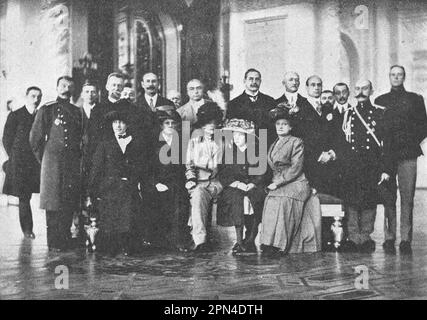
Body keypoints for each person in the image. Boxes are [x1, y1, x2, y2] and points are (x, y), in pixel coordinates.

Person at [375, 65, 427, 254]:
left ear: (404, 77)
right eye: (393, 75)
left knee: (407, 198)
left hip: (408, 154)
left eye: (399, 75)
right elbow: (377, 129)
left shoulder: (415, 99)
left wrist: (409, 141)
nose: (396, 78)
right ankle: (390, 237)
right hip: (387, 156)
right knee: (389, 197)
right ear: (389, 77)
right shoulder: (380, 100)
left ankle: (405, 238)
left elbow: (423, 126)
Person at [30, 76, 83, 251]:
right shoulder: (47, 109)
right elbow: (35, 139)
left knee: (68, 200)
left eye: (69, 86)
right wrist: (45, 159)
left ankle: (65, 239)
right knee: (53, 202)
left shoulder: (77, 112)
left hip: (72, 163)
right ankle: (54, 242)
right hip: (52, 164)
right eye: (63, 85)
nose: (66, 88)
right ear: (57, 87)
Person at [86, 111, 145, 256]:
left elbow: (141, 167)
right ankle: (113, 243)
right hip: (109, 186)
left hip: (129, 185)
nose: (118, 126)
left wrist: (134, 181)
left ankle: (127, 242)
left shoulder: (135, 143)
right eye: (115, 123)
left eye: (122, 122)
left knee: (129, 200)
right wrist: (91, 193)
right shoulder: (104, 144)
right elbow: (96, 170)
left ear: (127, 125)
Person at [340, 79, 386, 253]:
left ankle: (366, 237)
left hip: (371, 164)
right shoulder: (349, 113)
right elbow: (345, 141)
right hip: (352, 164)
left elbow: (384, 143)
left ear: (371, 91)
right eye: (357, 89)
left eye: (364, 88)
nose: (360, 92)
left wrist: (384, 168)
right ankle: (353, 237)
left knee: (369, 200)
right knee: (351, 200)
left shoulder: (380, 113)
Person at [260, 107, 311, 257]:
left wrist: (278, 183)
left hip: (296, 182)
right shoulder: (273, 143)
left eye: (284, 124)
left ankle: (279, 245)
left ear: (291, 127)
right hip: (278, 182)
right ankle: (268, 242)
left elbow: (296, 167)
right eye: (278, 124)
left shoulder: (296, 142)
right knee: (270, 200)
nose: (280, 127)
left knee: (282, 201)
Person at [144, 105, 190, 251]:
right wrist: (156, 183)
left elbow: (185, 166)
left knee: (179, 201)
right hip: (156, 181)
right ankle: (157, 241)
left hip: (177, 181)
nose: (170, 126)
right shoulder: (152, 141)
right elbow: (147, 167)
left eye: (173, 123)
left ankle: (177, 240)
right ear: (161, 125)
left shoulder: (182, 142)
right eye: (167, 123)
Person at [217, 118, 266, 254]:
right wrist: (236, 184)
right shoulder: (228, 152)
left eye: (239, 135)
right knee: (236, 201)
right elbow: (223, 172)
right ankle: (239, 241)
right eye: (234, 134)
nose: (236, 138)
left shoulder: (256, 150)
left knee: (255, 200)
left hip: (253, 186)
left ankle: (250, 239)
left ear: (247, 136)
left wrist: (253, 183)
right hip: (235, 187)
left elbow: (262, 171)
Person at [3, 86, 42, 239]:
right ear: (26, 96)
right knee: (24, 197)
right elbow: (7, 139)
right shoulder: (16, 115)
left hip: (37, 163)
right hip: (20, 164)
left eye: (39, 96)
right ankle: (27, 230)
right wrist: (15, 157)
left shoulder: (41, 115)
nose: (36, 99)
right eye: (33, 96)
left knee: (37, 196)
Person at [185, 102, 224, 252]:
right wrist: (190, 179)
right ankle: (200, 240)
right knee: (198, 195)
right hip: (199, 182)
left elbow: (223, 166)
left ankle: (199, 237)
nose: (211, 126)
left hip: (216, 182)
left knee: (200, 195)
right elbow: (189, 165)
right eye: (207, 123)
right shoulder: (194, 141)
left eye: (214, 123)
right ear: (202, 124)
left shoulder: (223, 141)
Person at [226, 69, 275, 144]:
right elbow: (230, 129)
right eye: (251, 79)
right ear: (244, 81)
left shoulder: (270, 101)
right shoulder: (234, 103)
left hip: (265, 145)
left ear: (260, 81)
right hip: (244, 147)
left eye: (257, 79)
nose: (254, 82)